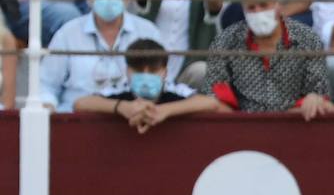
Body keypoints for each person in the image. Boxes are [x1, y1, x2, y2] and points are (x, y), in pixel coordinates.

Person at [41, 0, 164, 110]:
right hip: (77, 121)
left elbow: (163, 81)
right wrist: (48, 109)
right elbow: (46, 85)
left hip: (130, 122)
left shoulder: (148, 32)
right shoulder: (67, 33)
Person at [204, 0, 332, 116]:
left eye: (264, 5)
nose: (258, 12)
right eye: (251, 8)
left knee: (326, 107)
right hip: (244, 124)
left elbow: (318, 92)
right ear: (243, 10)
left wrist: (313, 99)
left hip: (295, 122)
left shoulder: (307, 39)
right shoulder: (226, 41)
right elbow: (217, 95)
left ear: (278, 5)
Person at [73, 36, 228, 127]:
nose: (146, 76)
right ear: (127, 71)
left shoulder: (174, 91)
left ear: (165, 72)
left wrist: (164, 111)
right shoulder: (119, 91)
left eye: (153, 71)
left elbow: (214, 105)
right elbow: (80, 104)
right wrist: (122, 107)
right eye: (138, 71)